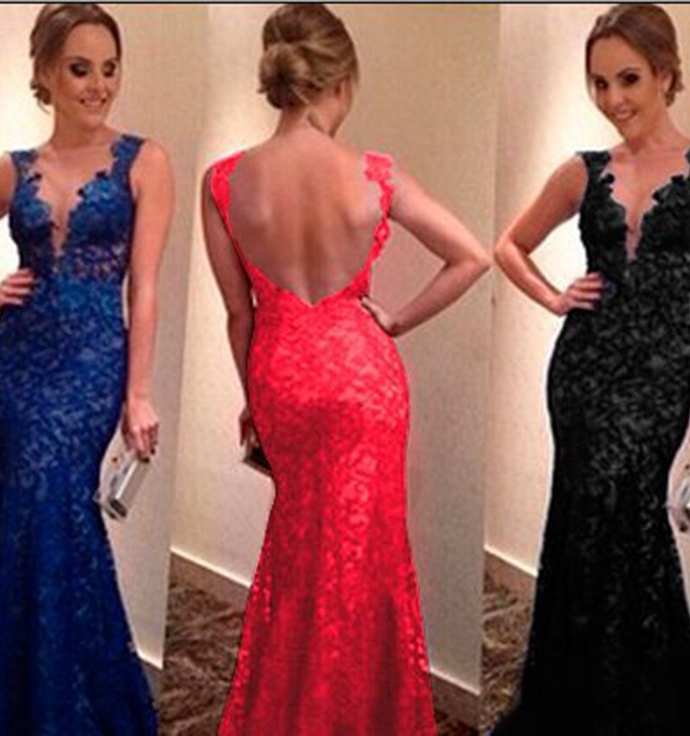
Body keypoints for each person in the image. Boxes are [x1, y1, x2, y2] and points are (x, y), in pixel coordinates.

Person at [202, 4, 491, 734]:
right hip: (365, 380)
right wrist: (395, 320)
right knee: (368, 559)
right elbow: (472, 256)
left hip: (283, 376)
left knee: (300, 558)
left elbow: (239, 315)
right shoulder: (374, 174)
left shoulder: (223, 180)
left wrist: (254, 398)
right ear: (341, 82)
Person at [490, 4, 690, 735]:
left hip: (661, 374)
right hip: (584, 372)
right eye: (599, 83)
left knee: (630, 521)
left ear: (665, 73)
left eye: (628, 79)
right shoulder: (584, 170)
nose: (613, 99)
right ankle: (580, 702)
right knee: (582, 518)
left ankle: (642, 705)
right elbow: (508, 246)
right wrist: (553, 297)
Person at [0, 4, 173, 734]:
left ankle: (70, 701)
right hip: (17, 365)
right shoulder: (13, 169)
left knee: (61, 512)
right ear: (44, 73)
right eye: (80, 69)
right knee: (19, 515)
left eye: (109, 69)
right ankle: (12, 702)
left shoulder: (145, 160)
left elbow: (145, 288)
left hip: (93, 367)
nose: (99, 84)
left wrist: (138, 393)